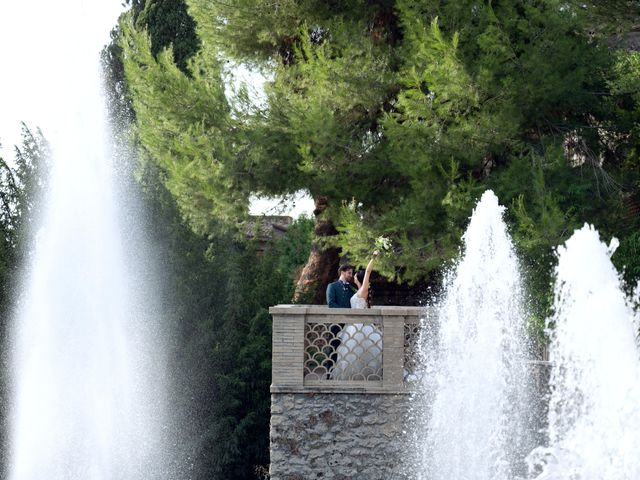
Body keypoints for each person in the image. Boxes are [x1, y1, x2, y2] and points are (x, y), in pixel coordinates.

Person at [332, 253, 383, 380]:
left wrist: (374, 257)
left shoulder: (362, 290)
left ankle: (362, 376)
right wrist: (356, 281)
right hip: (354, 325)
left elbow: (368, 271)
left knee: (359, 353)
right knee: (355, 354)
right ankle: (356, 376)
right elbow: (361, 296)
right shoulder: (361, 291)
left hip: (359, 326)